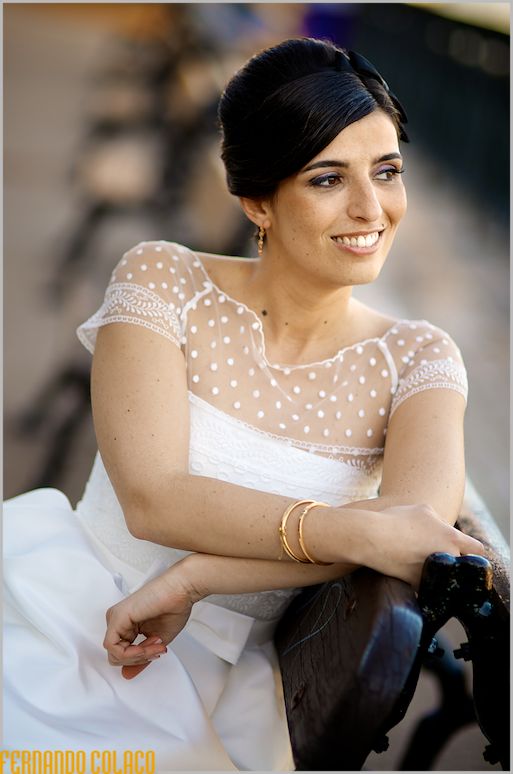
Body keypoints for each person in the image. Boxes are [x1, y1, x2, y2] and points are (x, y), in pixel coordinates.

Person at [4, 37, 484, 772]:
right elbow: (154, 499)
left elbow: (412, 540)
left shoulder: (418, 360)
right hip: (60, 604)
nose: (370, 208)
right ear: (256, 199)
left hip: (215, 683)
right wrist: (349, 529)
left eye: (386, 172)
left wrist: (199, 576)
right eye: (327, 179)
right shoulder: (163, 280)